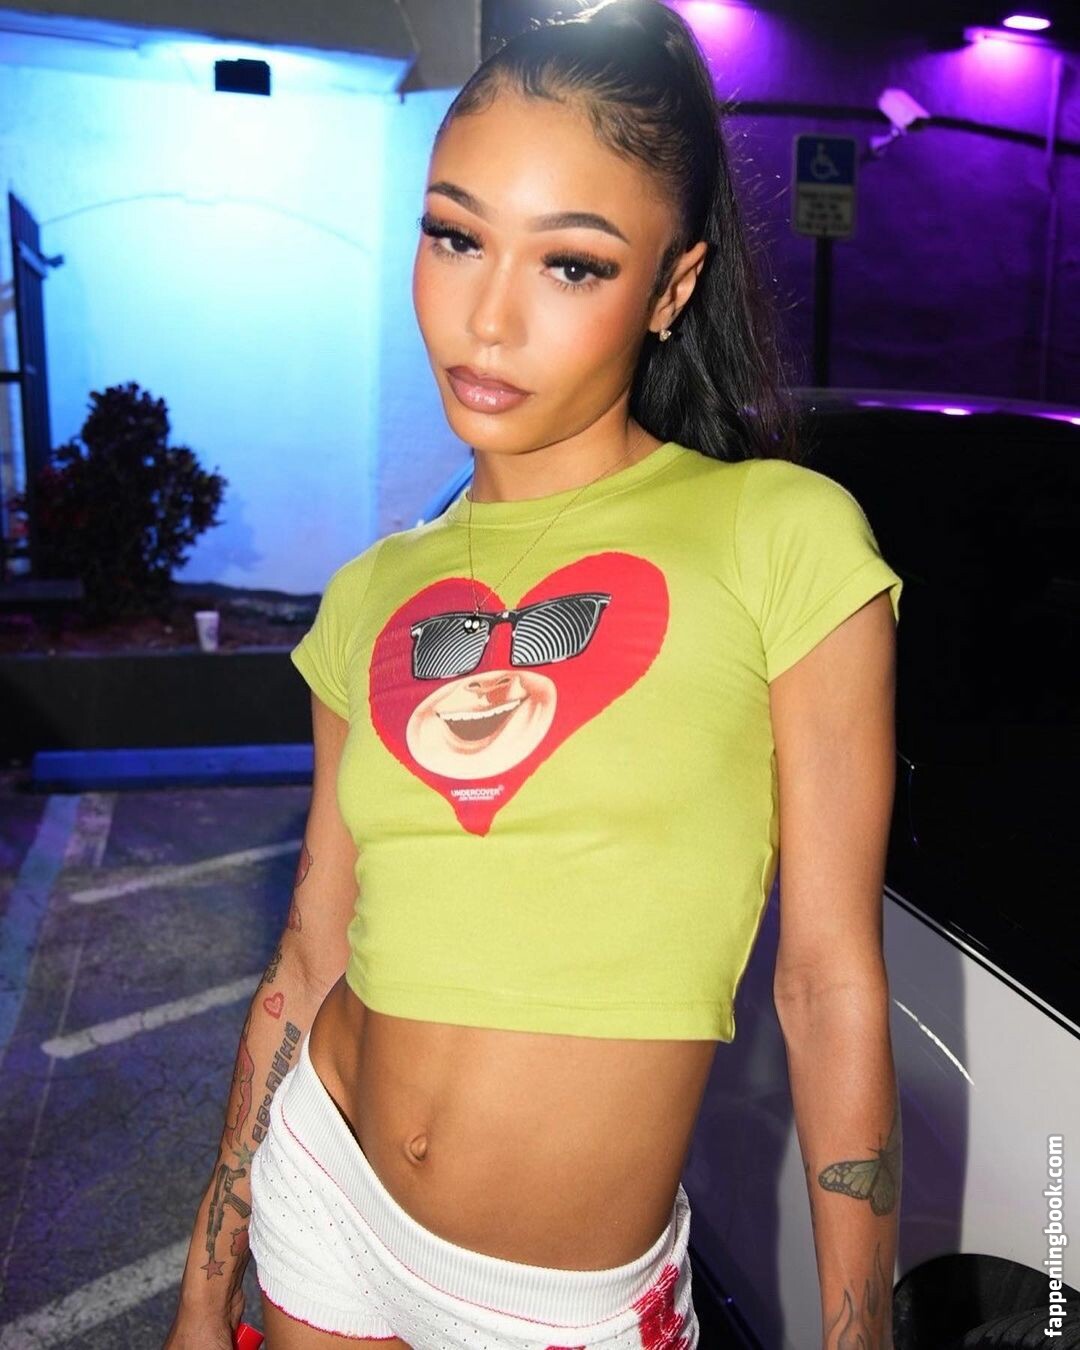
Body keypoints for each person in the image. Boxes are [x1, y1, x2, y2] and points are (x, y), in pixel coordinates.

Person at [164, 1, 904, 1347]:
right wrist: (206, 1278)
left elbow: (828, 982)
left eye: (571, 263)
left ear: (670, 289)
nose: (488, 317)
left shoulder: (779, 538)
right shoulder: (372, 591)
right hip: (325, 1188)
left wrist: (860, 1334)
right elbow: (313, 942)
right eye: (456, 236)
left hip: (557, 1305)